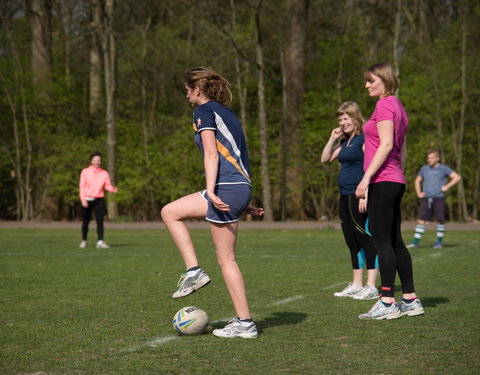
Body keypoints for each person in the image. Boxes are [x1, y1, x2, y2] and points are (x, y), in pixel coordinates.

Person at [161, 67, 264, 339]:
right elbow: (239, 157)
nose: (186, 95)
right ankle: (193, 271)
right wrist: (243, 200)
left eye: (187, 90)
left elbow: (211, 154)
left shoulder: (203, 112)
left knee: (226, 259)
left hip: (226, 188)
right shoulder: (226, 114)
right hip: (236, 188)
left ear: (197, 90)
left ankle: (245, 323)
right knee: (170, 212)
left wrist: (212, 190)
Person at [355, 62, 424, 320]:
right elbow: (401, 151)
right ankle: (410, 299)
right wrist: (398, 174)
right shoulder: (400, 107)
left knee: (382, 240)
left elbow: (385, 145)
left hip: (383, 180)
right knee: (395, 240)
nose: (367, 85)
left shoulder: (384, 105)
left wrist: (366, 178)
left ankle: (386, 301)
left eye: (371, 80)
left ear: (384, 80)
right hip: (395, 179)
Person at [321, 101, 379, 300]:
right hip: (344, 195)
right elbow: (325, 158)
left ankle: (371, 286)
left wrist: (367, 193)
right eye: (340, 119)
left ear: (355, 118)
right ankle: (356, 284)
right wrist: (332, 138)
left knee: (366, 238)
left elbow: (373, 167)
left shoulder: (365, 139)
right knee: (351, 241)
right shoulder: (344, 143)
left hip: (359, 195)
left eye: (345, 118)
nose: (342, 122)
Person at [407, 148, 461, 249]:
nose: (429, 160)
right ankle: (415, 242)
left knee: (440, 219)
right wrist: (419, 193)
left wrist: (446, 187)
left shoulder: (444, 168)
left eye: (431, 158)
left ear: (437, 158)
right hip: (426, 198)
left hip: (438, 197)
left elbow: (457, 177)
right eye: (428, 158)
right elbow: (417, 181)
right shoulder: (424, 169)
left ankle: (439, 243)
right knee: (421, 220)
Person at [79, 152, 118, 249]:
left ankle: (100, 241)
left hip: (99, 199)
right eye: (95, 160)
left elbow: (107, 185)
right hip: (87, 199)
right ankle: (84, 240)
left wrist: (112, 189)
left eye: (99, 160)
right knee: (85, 221)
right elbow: (82, 186)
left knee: (100, 221)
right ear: (91, 161)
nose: (97, 162)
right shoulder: (85, 172)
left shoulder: (104, 173)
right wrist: (83, 199)